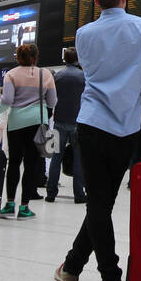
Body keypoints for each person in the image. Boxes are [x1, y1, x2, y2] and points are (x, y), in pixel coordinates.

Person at [54, 0, 141, 281]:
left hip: (92, 122)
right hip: (127, 125)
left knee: (99, 202)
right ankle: (79, 269)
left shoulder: (83, 34)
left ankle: (102, 275)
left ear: (97, 3)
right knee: (102, 202)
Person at [0, 42, 55, 219]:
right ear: (36, 57)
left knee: (14, 162)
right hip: (38, 122)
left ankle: (9, 204)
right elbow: (52, 102)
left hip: (16, 123)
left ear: (19, 57)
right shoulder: (45, 74)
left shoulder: (11, 74)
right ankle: (24, 207)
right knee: (31, 165)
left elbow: (7, 99)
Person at [46, 46, 87, 204]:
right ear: (77, 59)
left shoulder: (58, 76)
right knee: (78, 159)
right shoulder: (83, 76)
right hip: (78, 122)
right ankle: (79, 194)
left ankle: (51, 193)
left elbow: (51, 98)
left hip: (59, 121)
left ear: (65, 59)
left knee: (56, 157)